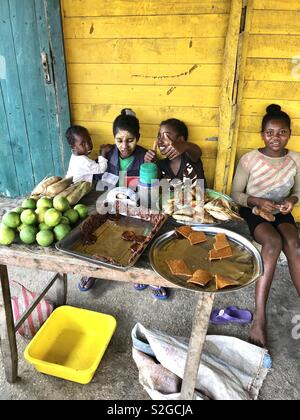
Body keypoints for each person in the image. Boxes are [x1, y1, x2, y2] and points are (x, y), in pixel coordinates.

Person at [231, 104, 300, 348]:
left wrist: (291, 201)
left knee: (294, 243)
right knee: (272, 244)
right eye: (270, 132)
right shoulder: (249, 159)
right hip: (253, 209)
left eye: (281, 132)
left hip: (281, 210)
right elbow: (235, 194)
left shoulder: (295, 160)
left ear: (289, 134)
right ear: (262, 134)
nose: (275, 138)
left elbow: (298, 192)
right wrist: (257, 201)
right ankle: (259, 317)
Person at [78, 109, 149, 291]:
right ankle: (93, 270)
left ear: (138, 137)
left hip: (135, 210)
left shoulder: (146, 157)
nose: (124, 145)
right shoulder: (107, 156)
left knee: (137, 240)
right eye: (119, 140)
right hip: (108, 209)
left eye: (130, 140)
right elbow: (96, 184)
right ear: (113, 138)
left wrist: (152, 165)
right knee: (97, 236)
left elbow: (152, 191)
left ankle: (139, 273)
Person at [135, 118, 206, 300]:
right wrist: (149, 165)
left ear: (181, 139)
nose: (160, 141)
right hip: (170, 213)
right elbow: (152, 186)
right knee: (149, 236)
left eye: (167, 137)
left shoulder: (191, 157)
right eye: (159, 136)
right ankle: (148, 275)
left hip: (194, 214)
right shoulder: (161, 164)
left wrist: (185, 146)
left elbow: (196, 150)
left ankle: (178, 272)